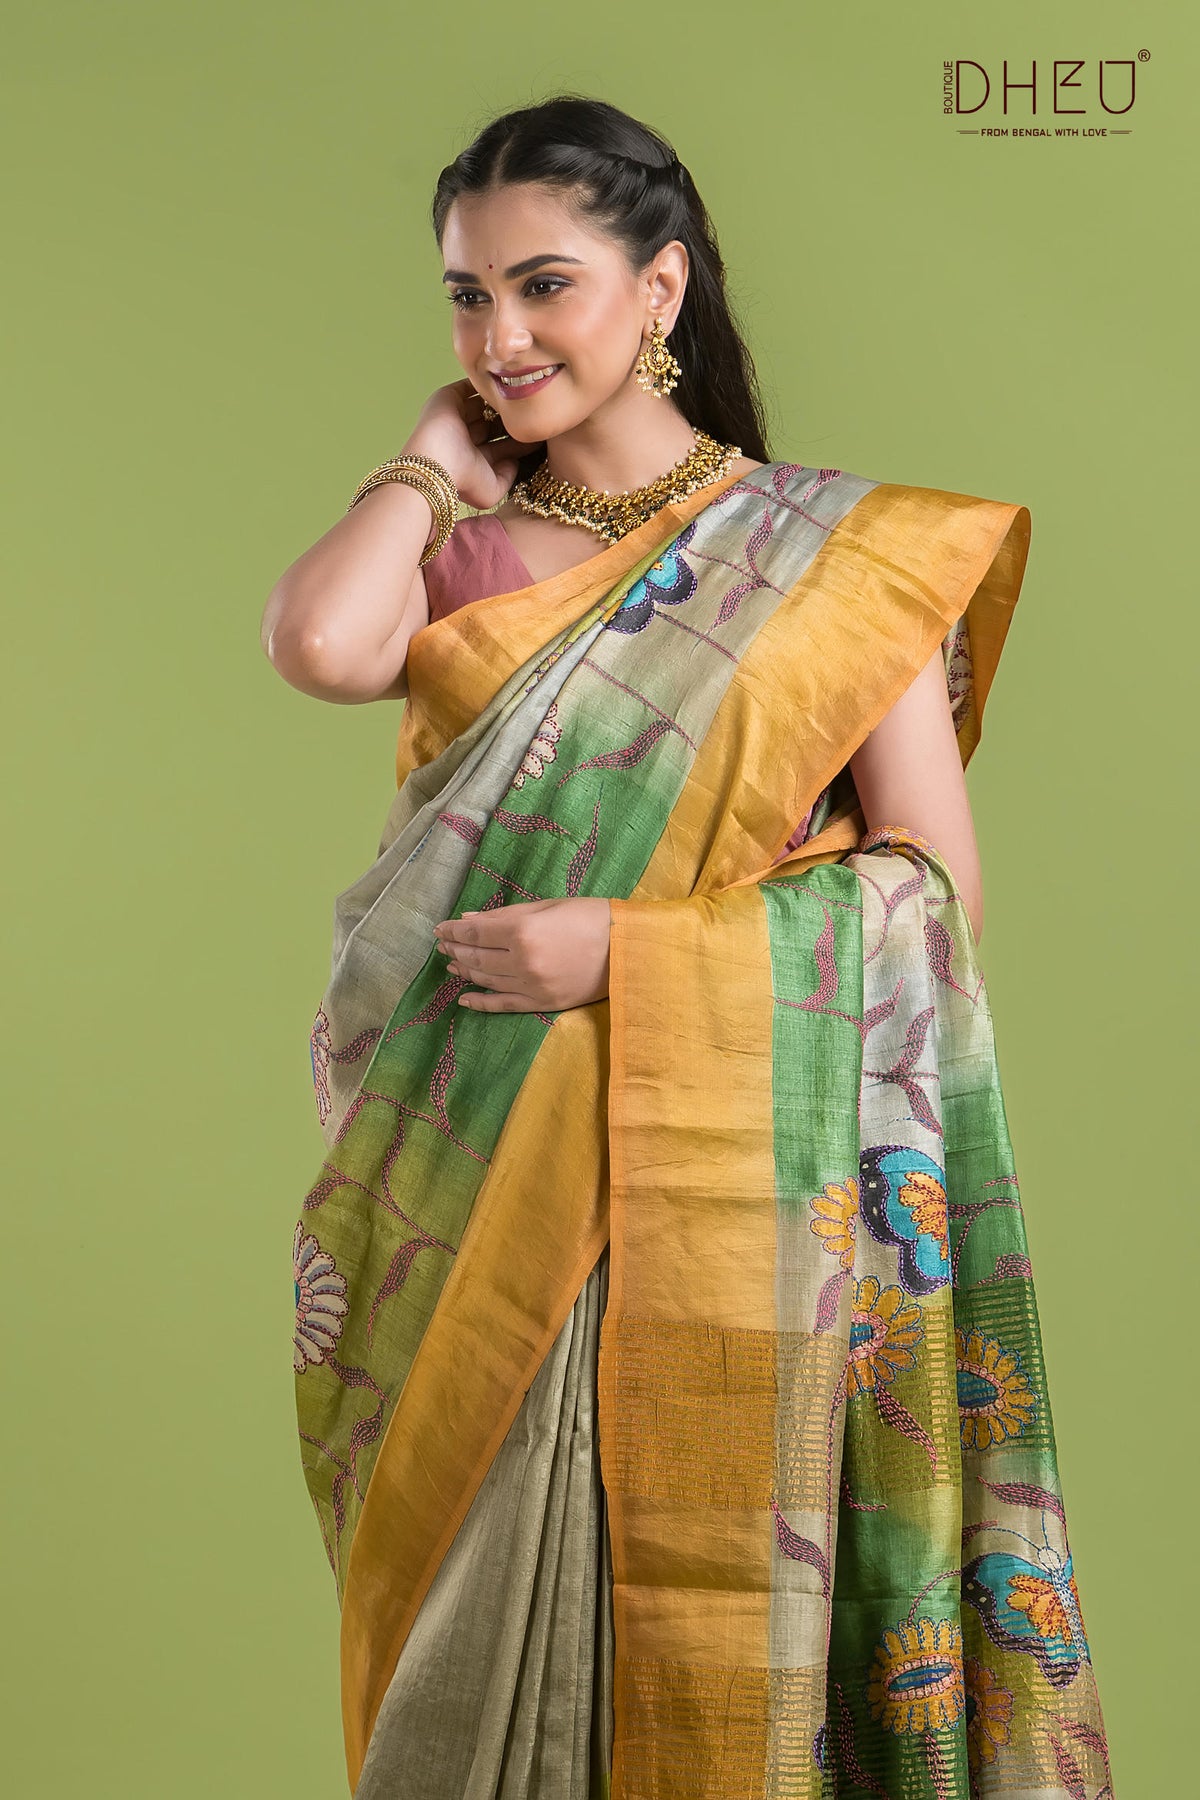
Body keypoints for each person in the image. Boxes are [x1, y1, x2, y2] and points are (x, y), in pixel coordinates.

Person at [263, 94, 1116, 1800]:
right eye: (466, 297)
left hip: (733, 1185)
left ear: (658, 290)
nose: (500, 338)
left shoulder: (841, 562)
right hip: (476, 1160)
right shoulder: (468, 553)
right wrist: (427, 452)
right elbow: (320, 644)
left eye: (545, 287)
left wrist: (633, 952)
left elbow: (931, 895)